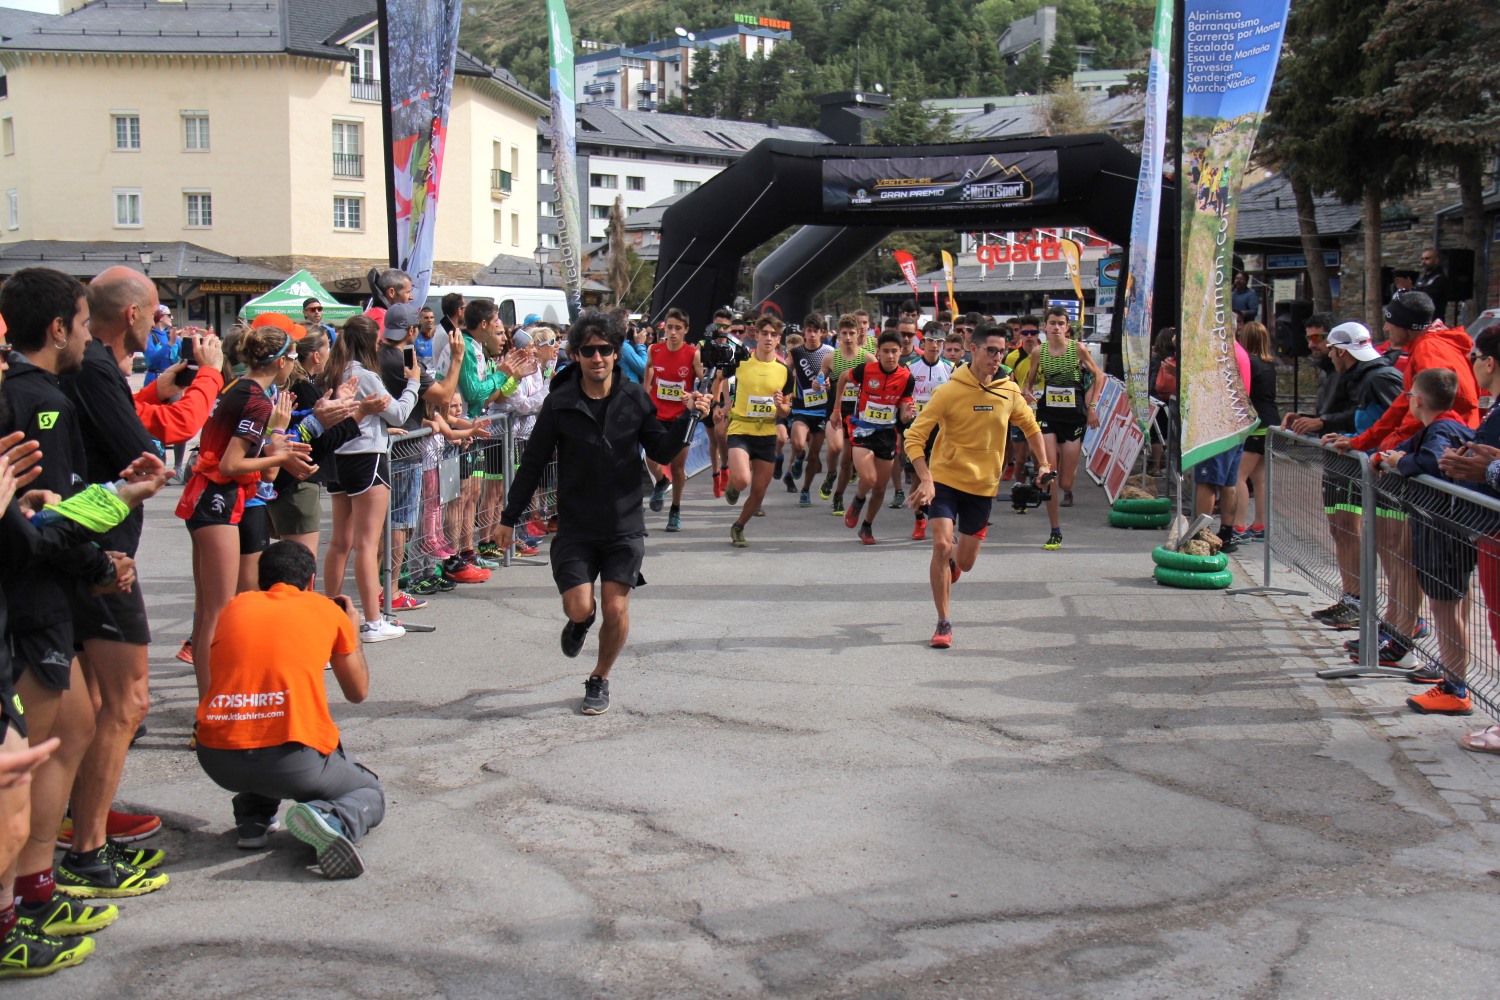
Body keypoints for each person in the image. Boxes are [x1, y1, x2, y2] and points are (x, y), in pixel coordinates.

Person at [0, 269, 168, 915]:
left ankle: (40, 886)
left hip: (51, 585)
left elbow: (45, 512)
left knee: (72, 728)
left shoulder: (45, 387)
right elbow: (43, 524)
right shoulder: (45, 395)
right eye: (77, 322)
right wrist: (101, 558)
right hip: (37, 597)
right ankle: (33, 897)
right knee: (28, 758)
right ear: (58, 328)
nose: (85, 340)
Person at [59, 265, 220, 895]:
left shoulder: (93, 369)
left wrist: (159, 385)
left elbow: (125, 415)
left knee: (91, 708)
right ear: (132, 316)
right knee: (125, 704)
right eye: (156, 313)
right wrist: (207, 375)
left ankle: (82, 819)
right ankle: (86, 843)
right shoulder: (94, 365)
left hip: (81, 545)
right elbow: (158, 441)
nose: (163, 323)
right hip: (99, 553)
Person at [496, 313, 709, 715]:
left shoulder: (634, 398)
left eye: (605, 349)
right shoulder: (560, 404)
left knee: (616, 607)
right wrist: (509, 518)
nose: (598, 357)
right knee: (581, 606)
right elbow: (532, 464)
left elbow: (661, 452)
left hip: (623, 523)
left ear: (615, 353)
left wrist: (689, 417)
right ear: (576, 355)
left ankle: (600, 678)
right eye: (589, 350)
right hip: (576, 524)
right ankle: (579, 623)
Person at [194, 541, 382, 879]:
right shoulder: (324, 609)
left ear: (260, 581)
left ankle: (253, 819)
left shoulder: (235, 607)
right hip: (293, 762)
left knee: (257, 719)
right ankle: (330, 819)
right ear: (311, 582)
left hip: (217, 757)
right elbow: (358, 692)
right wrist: (351, 634)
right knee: (368, 790)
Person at [1331, 290, 1479, 661]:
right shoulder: (1423, 349)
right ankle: (1402, 632)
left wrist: (1389, 453)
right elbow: (1404, 406)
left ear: (1404, 325)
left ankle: (1431, 654)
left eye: (1389, 321)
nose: (1384, 327)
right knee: (1401, 552)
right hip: (1423, 461)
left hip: (1440, 473)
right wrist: (1366, 443)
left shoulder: (1429, 351)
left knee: (1416, 562)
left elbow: (1417, 413)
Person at [176, 325, 312, 696]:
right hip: (217, 501)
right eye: (293, 359)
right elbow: (230, 464)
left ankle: (210, 707)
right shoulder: (257, 399)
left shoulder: (235, 386)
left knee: (209, 614)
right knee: (220, 615)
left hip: (209, 501)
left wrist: (275, 447)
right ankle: (213, 710)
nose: (293, 367)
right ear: (281, 360)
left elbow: (257, 465)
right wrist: (281, 451)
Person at [905, 325, 1049, 648]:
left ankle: (954, 561)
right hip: (944, 479)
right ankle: (943, 621)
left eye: (1001, 351)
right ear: (973, 348)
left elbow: (1031, 427)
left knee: (965, 563)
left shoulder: (1008, 392)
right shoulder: (949, 391)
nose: (997, 357)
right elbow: (914, 437)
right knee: (941, 545)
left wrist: (1044, 465)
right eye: (990, 350)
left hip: (983, 487)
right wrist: (926, 478)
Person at [1370, 368, 1475, 714]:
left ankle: (1455, 686)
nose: (1408, 400)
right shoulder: (1445, 425)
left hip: (1444, 527)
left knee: (1445, 608)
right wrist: (1386, 457)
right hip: (1446, 527)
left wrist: (1403, 462)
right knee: (1448, 605)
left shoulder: (1442, 428)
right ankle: (1453, 678)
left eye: (1409, 395)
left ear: (1419, 400)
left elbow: (1432, 460)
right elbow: (1408, 448)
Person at [319, 314, 421, 642]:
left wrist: (380, 425)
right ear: (371, 343)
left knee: (340, 542)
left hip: (339, 456)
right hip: (367, 458)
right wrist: (414, 383)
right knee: (366, 543)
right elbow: (400, 412)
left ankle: (330, 611)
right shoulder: (364, 375)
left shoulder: (333, 372)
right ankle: (374, 622)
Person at [1023, 308, 1103, 549]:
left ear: (1067, 327)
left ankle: (1068, 486)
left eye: (1061, 323)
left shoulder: (1077, 349)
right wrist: (1027, 393)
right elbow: (1030, 381)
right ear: (1044, 328)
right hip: (1048, 415)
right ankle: (1054, 529)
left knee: (1065, 482)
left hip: (1073, 417)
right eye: (1052, 323)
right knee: (1050, 471)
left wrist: (1092, 406)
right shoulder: (1039, 351)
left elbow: (1099, 376)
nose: (1056, 327)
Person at [719, 316, 794, 547]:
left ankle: (739, 526)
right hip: (741, 429)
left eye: (773, 334)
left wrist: (781, 404)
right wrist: (724, 403)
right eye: (765, 333)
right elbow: (720, 379)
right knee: (742, 479)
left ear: (778, 339)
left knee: (759, 492)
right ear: (757, 335)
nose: (768, 338)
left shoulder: (783, 370)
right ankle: (733, 485)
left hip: (767, 434)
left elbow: (785, 411)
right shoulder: (741, 362)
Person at [835, 329, 915, 544]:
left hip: (887, 433)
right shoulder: (866, 370)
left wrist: (907, 415)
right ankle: (858, 500)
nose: (890, 356)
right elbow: (843, 378)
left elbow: (905, 412)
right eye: (886, 351)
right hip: (862, 429)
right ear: (878, 352)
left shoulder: (907, 377)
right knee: (868, 478)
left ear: (901, 352)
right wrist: (836, 410)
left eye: (894, 352)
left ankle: (867, 526)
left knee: (880, 487)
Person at [645, 308, 703, 532]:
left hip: (681, 418)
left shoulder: (692, 354)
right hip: (657, 415)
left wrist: (694, 395)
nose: (673, 332)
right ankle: (661, 481)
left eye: (678, 328)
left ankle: (675, 509)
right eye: (669, 327)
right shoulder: (654, 350)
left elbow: (702, 380)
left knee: (678, 468)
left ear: (686, 330)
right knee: (651, 459)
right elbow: (649, 368)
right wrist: (645, 390)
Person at [1232, 321, 1281, 541]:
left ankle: (1238, 525)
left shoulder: (1248, 362)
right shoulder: (1270, 364)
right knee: (1259, 478)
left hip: (1255, 424)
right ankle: (1260, 524)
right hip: (1270, 421)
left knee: (1238, 476)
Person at [821, 314, 873, 515]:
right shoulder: (831, 357)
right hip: (835, 410)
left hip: (856, 415)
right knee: (834, 447)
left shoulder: (867, 357)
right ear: (839, 334)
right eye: (844, 333)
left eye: (852, 333)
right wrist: (819, 383)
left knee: (847, 460)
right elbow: (818, 381)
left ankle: (838, 496)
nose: (848, 337)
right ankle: (830, 474)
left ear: (858, 333)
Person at [906, 323, 952, 539]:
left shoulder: (952, 368)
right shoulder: (911, 367)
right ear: (922, 342)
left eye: (939, 342)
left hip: (942, 430)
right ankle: (918, 519)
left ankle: (941, 516)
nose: (935, 346)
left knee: (940, 474)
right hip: (917, 428)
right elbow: (903, 399)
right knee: (917, 474)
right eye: (931, 341)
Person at [787, 315, 833, 507]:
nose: (812, 335)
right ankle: (798, 458)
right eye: (809, 330)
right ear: (804, 332)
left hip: (822, 410)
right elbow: (785, 373)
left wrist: (830, 382)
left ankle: (805, 490)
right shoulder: (796, 352)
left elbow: (837, 375)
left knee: (814, 455)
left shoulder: (829, 352)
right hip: (802, 407)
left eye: (816, 331)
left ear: (822, 333)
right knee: (797, 443)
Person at [142, 305, 175, 385]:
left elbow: (184, 355)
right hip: (154, 380)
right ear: (160, 317)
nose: (172, 318)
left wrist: (188, 340)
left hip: (171, 380)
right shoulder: (149, 336)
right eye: (169, 315)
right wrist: (169, 345)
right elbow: (151, 359)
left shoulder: (171, 335)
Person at [1415, 248, 1449, 321]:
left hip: (1434, 321)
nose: (1423, 262)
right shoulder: (1421, 280)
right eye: (1422, 259)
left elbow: (1430, 298)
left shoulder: (1440, 279)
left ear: (1436, 260)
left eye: (1427, 259)